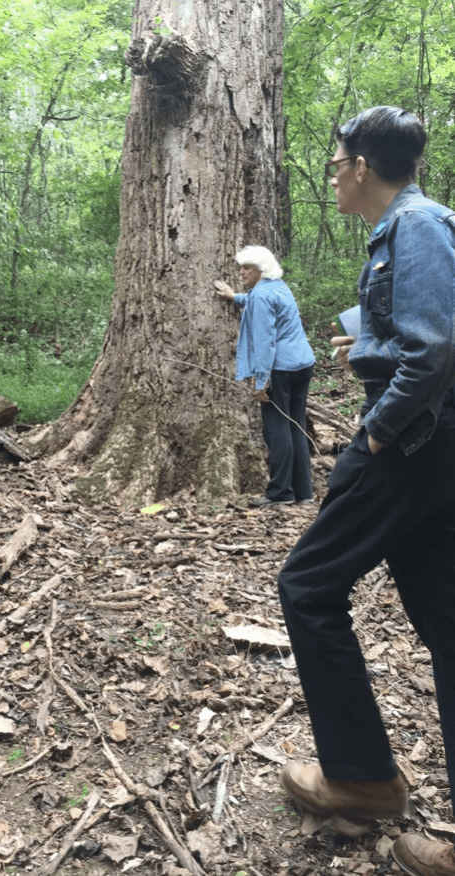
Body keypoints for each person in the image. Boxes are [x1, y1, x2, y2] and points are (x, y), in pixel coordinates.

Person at [277, 106, 455, 876]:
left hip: (409, 446)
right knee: (446, 618)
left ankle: (360, 777)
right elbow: (420, 337)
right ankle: (366, 776)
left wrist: (375, 435)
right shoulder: (413, 228)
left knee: (308, 584)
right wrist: (370, 344)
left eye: (335, 162)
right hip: (435, 448)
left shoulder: (416, 227)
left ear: (358, 166)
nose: (332, 175)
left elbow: (435, 352)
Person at [214, 246, 315, 507]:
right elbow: (260, 303)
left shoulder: (260, 296)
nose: (241, 272)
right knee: (295, 425)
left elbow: (265, 342)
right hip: (303, 363)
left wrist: (261, 382)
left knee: (277, 428)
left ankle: (280, 493)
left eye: (246, 268)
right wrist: (235, 297)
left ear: (261, 269)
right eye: (241, 267)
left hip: (280, 368)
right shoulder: (278, 287)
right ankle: (303, 492)